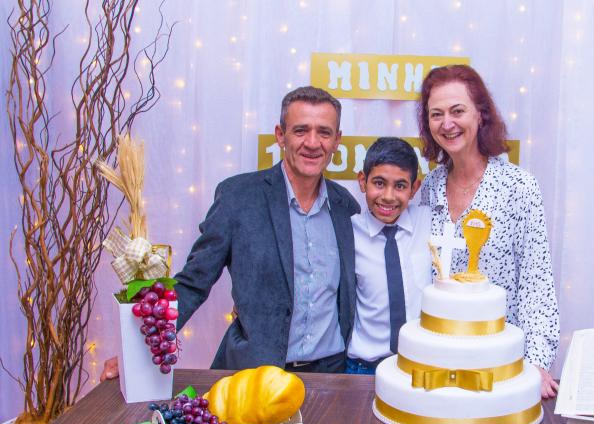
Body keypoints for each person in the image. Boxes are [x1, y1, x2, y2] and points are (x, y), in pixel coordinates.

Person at [102, 86, 359, 378]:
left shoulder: (345, 207)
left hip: (331, 375)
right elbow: (193, 283)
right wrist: (136, 351)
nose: (313, 143)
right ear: (280, 135)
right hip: (254, 374)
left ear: (337, 140)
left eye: (324, 132)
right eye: (301, 130)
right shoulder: (238, 198)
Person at [416, 65, 560, 398]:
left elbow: (536, 283)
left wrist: (536, 364)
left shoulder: (518, 187)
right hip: (436, 366)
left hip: (500, 368)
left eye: (457, 111)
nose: (447, 123)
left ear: (481, 114)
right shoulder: (429, 189)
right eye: (436, 114)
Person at [347, 137, 431, 374]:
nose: (388, 196)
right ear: (362, 181)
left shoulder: (428, 222)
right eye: (379, 183)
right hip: (362, 366)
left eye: (400, 186)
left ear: (415, 188)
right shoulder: (348, 231)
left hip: (418, 366)